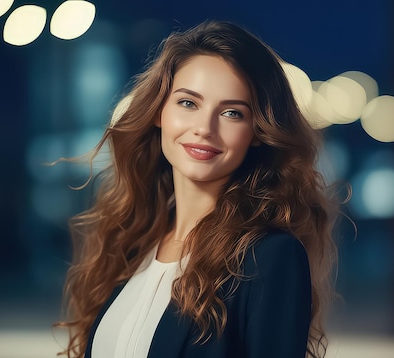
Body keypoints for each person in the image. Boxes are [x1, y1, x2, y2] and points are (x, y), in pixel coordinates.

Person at [56, 20, 344, 358]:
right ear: (159, 112)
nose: (204, 129)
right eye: (188, 103)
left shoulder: (268, 257)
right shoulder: (132, 242)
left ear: (256, 132)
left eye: (232, 112)